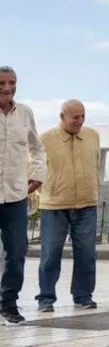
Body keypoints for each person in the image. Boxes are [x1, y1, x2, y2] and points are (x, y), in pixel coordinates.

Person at [37, 100, 100, 312]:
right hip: (54, 206)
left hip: (87, 204)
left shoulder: (92, 135)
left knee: (86, 254)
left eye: (83, 116)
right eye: (75, 117)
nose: (80, 121)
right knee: (50, 254)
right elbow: (35, 171)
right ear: (62, 116)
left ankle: (83, 296)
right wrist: (51, 191)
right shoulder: (45, 139)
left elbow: (96, 163)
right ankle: (46, 299)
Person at [0, 66, 45, 324]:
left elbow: (36, 147)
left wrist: (38, 174)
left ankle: (8, 304)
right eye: (2, 83)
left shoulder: (25, 113)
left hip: (15, 196)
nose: (7, 88)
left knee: (17, 252)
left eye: (12, 82)